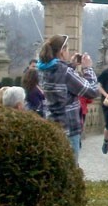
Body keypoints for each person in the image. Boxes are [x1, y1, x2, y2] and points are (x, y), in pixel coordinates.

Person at [37, 34, 99, 163]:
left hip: (51, 124)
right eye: (67, 49)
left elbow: (59, 79)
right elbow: (92, 91)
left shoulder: (42, 70)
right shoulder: (65, 71)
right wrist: (88, 69)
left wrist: (71, 65)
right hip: (69, 128)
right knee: (70, 169)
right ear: (62, 52)